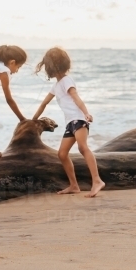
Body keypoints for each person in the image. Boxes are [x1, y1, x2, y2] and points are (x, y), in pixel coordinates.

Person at [32, 47, 106, 197]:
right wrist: (32, 120)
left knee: (82, 147)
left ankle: (97, 181)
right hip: (70, 124)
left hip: (79, 119)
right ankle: (74, 185)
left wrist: (86, 113)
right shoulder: (56, 86)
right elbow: (43, 104)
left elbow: (76, 98)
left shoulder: (67, 80)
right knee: (62, 154)